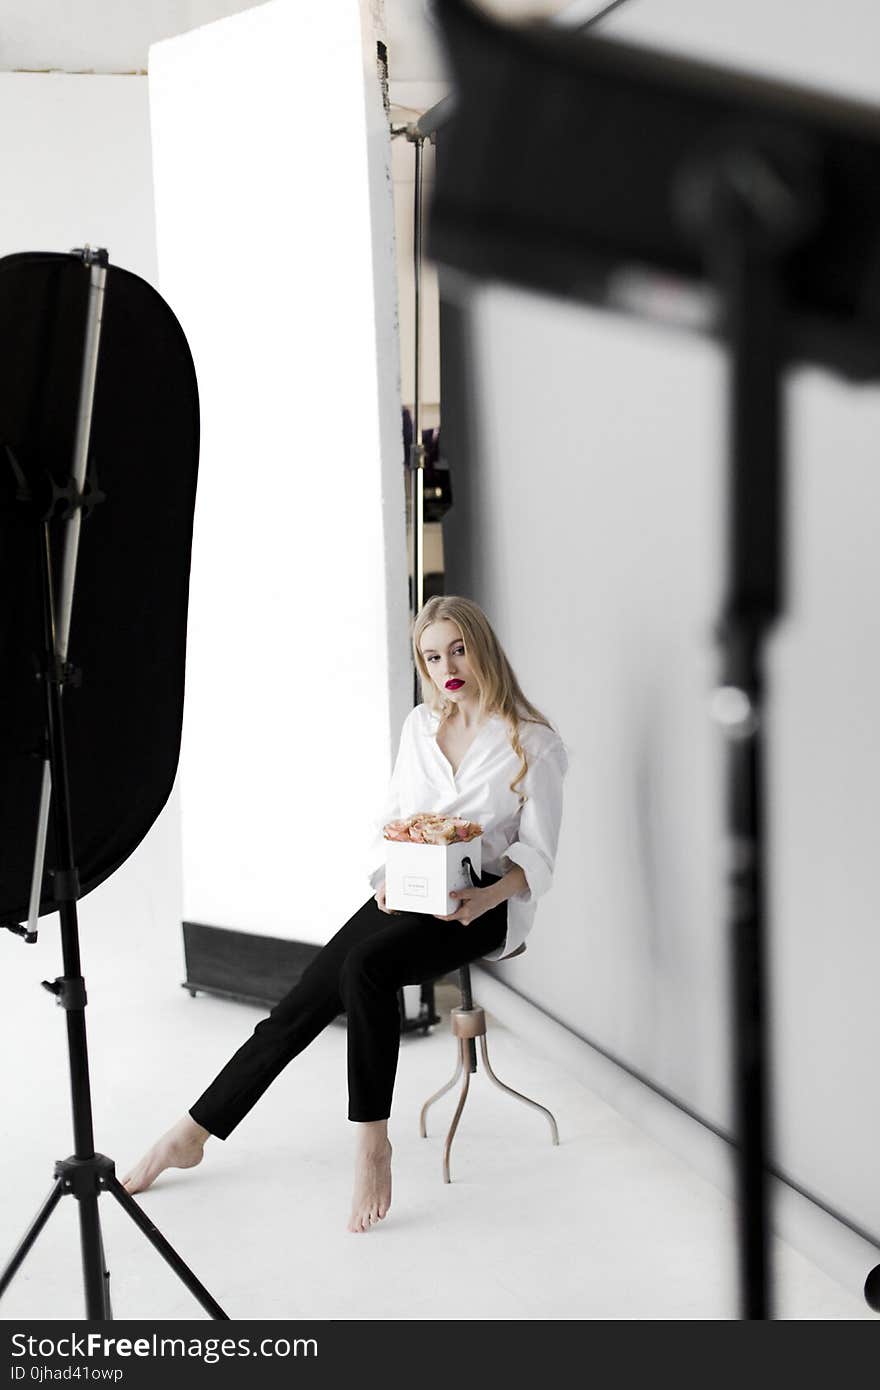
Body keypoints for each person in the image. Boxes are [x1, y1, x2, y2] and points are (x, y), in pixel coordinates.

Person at [121, 595, 569, 1232]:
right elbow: (398, 819)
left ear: (482, 647)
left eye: (459, 649)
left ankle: (371, 1145)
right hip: (414, 889)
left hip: (484, 904)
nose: (448, 665)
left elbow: (541, 859)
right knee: (304, 999)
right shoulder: (422, 726)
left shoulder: (534, 743)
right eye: (433, 655)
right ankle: (191, 1131)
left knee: (365, 967)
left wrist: (487, 898)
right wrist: (388, 880)